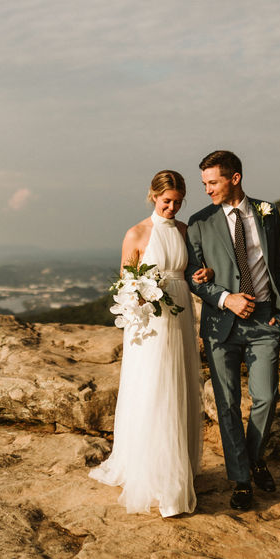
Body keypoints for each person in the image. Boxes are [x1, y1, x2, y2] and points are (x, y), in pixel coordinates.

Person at [90, 170, 209, 517]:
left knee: (180, 383)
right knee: (155, 387)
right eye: (165, 201)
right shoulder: (137, 233)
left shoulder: (185, 231)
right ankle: (155, 476)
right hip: (150, 320)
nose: (172, 207)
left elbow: (191, 272)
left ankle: (177, 468)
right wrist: (139, 301)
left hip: (181, 311)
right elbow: (126, 283)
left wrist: (203, 274)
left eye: (177, 202)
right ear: (153, 196)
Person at [184, 150, 280, 511]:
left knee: (267, 398)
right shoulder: (199, 222)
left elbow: (278, 263)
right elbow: (192, 277)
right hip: (221, 325)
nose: (207, 190)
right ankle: (242, 480)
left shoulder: (268, 212)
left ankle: (253, 456)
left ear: (235, 178)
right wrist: (225, 297)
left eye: (212, 182)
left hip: (264, 323)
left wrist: (278, 310)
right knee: (227, 405)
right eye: (204, 183)